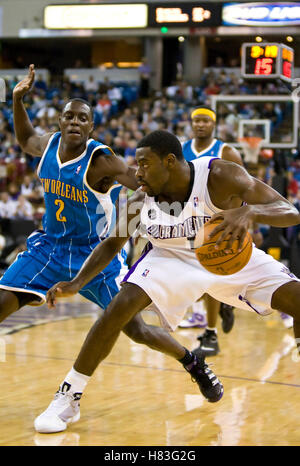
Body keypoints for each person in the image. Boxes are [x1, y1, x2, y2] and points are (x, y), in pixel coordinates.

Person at [2, 66, 223, 430]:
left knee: (134, 329)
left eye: (83, 118)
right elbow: (26, 140)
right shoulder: (47, 145)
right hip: (49, 246)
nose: (75, 122)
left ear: (91, 127)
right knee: (3, 300)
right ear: (59, 121)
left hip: (95, 250)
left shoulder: (102, 160)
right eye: (69, 116)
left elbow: (145, 181)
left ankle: (191, 361)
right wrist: (16, 100)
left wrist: (184, 203)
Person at [37, 129, 300, 433]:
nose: (138, 172)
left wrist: (251, 212)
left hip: (228, 255)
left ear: (170, 161)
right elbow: (112, 244)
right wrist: (76, 282)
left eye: (145, 164)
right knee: (119, 309)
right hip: (169, 258)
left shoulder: (219, 175)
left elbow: (290, 211)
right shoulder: (139, 200)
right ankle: (68, 397)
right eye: (137, 164)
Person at [179, 107, 244, 356]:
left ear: (214, 124)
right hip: (187, 221)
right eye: (197, 120)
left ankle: (211, 334)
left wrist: (237, 219)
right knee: (194, 282)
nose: (201, 125)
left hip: (218, 222)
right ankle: (225, 304)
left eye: (206, 121)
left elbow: (243, 186)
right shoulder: (181, 149)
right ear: (191, 123)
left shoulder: (226, 151)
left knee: (208, 278)